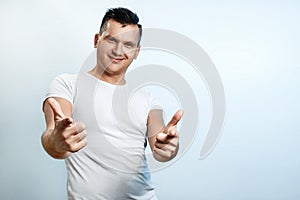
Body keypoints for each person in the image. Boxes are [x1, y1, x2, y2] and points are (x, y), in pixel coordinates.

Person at [41, 7, 183, 199]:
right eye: (111, 40)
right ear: (96, 40)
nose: (118, 51)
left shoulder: (148, 99)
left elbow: (161, 149)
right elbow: (53, 139)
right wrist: (56, 142)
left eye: (128, 45)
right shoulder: (67, 84)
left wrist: (169, 148)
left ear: (136, 52)